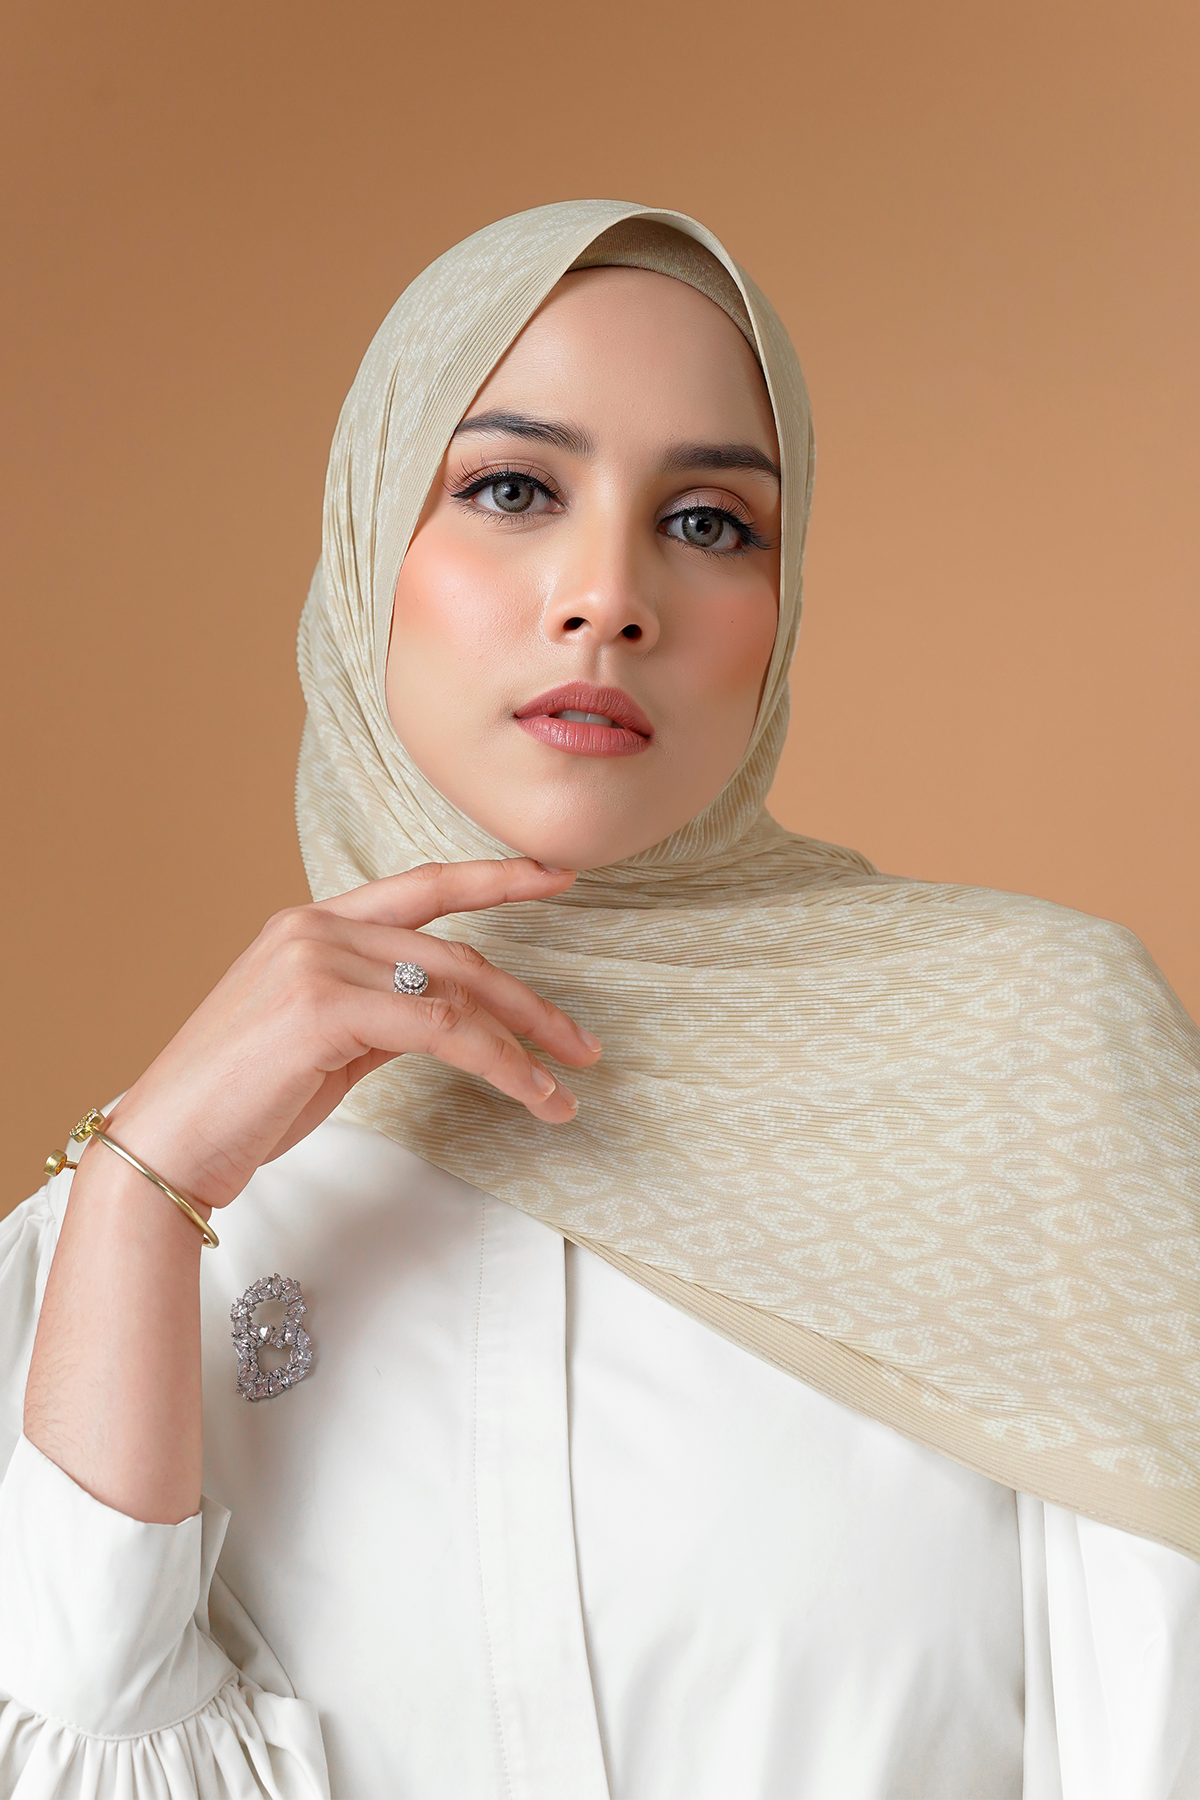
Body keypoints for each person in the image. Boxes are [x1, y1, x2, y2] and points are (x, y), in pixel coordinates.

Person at [1, 200, 1198, 1800]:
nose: (608, 596)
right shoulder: (149, 1215)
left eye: (709, 522)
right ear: (367, 546)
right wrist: (138, 1195)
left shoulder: (1034, 1066)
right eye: (511, 489)